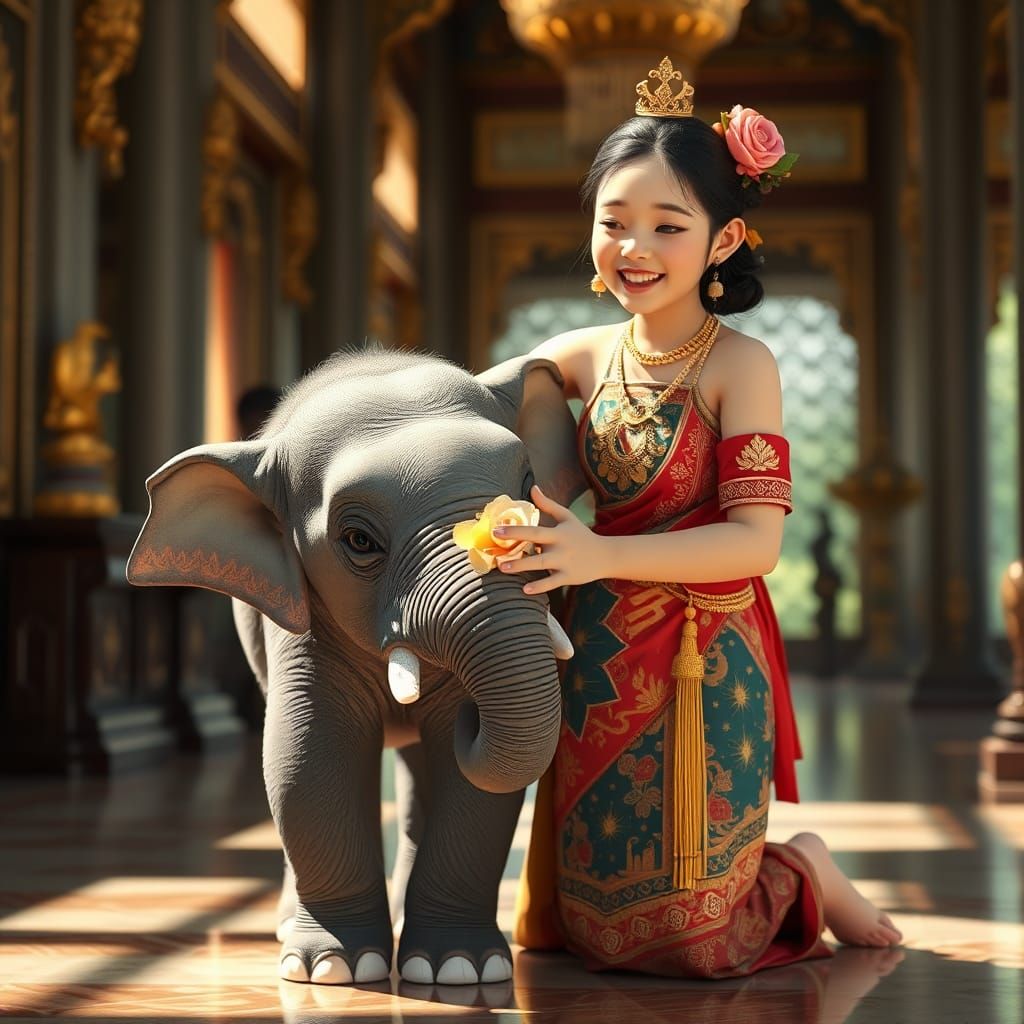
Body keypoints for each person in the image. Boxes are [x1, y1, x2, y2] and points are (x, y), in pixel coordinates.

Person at [495, 57, 902, 978]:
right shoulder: (577, 356)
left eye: (667, 226)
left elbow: (760, 543)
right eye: (613, 223)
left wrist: (593, 550)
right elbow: (493, 411)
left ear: (724, 240)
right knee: (589, 932)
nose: (633, 248)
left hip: (703, 649)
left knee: (695, 943)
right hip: (592, 641)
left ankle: (804, 869)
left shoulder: (741, 365)